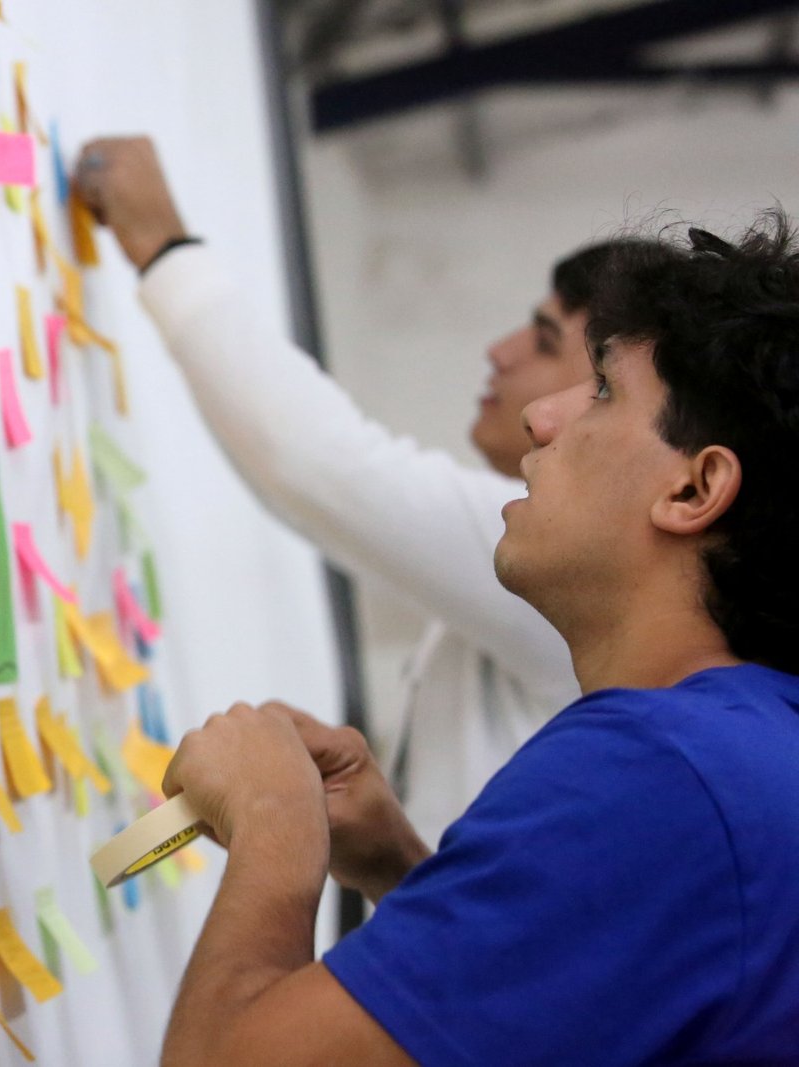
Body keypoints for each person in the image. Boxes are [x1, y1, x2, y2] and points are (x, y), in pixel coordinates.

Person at [154, 215, 799, 1064]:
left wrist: (275, 819)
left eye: (603, 389)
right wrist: (397, 866)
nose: (541, 416)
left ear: (694, 487)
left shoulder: (661, 771)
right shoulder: (745, 746)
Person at [74, 138, 633, 846]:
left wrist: (166, 251)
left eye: (545, 342)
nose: (501, 350)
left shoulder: (580, 557)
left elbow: (315, 460)